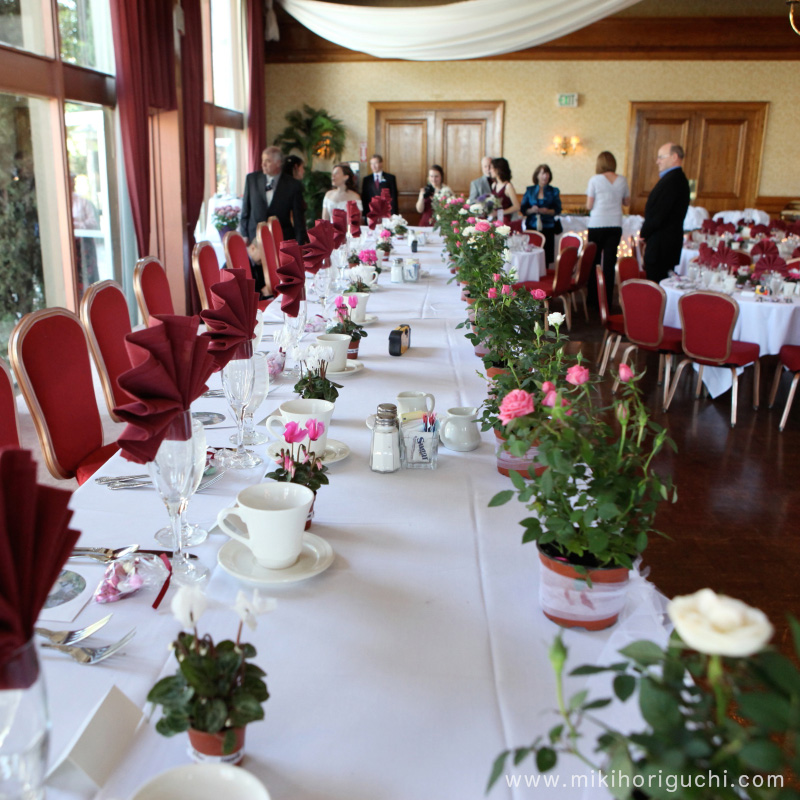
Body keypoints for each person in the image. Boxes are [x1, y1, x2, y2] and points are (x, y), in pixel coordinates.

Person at [239, 146, 306, 294]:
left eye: (268, 161)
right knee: (258, 282)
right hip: (255, 240)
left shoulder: (293, 185)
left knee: (279, 283)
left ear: (278, 163)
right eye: (263, 160)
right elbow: (245, 210)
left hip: (281, 240)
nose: (263, 164)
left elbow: (299, 219)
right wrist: (244, 234)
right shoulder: (252, 179)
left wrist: (299, 247)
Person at [640, 142, 691, 283]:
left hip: (661, 248)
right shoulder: (675, 179)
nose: (657, 161)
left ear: (674, 157)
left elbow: (658, 215)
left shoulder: (673, 181)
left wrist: (643, 234)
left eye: (661, 157)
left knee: (657, 288)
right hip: (665, 246)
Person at [586, 151, 630, 307]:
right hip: (615, 224)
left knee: (594, 262)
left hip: (597, 224)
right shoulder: (622, 180)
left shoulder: (594, 180)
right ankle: (608, 301)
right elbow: (626, 202)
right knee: (610, 263)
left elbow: (589, 206)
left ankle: (593, 300)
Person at [520, 164, 562, 267]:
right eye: (543, 173)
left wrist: (547, 211)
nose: (545, 176)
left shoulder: (554, 191)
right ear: (537, 175)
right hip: (532, 227)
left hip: (548, 227)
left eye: (547, 173)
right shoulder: (530, 190)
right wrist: (531, 210)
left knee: (546, 257)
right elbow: (523, 209)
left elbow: (558, 209)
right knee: (530, 254)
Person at [361, 154, 398, 218]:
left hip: (386, 212)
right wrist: (364, 214)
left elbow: (393, 196)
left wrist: (393, 214)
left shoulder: (390, 178)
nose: (373, 166)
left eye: (375, 163)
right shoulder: (367, 179)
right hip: (371, 212)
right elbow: (364, 198)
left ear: (381, 163)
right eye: (371, 164)